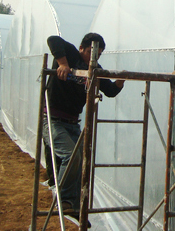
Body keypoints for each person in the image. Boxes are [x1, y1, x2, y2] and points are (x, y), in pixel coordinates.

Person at [43, 33, 124, 218]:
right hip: (52, 120)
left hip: (73, 123)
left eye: (98, 54)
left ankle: (73, 206)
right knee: (72, 156)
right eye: (90, 52)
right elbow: (53, 40)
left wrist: (120, 82)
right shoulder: (70, 54)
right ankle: (63, 200)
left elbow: (110, 90)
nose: (93, 57)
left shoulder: (95, 69)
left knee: (81, 162)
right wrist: (63, 64)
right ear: (81, 48)